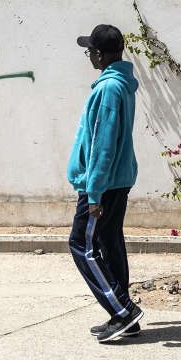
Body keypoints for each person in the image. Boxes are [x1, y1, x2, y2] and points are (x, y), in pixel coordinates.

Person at [68, 23, 143, 343]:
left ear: (99, 55)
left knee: (82, 246)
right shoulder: (121, 84)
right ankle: (121, 316)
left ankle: (124, 310)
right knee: (108, 243)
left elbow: (102, 144)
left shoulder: (108, 89)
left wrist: (94, 191)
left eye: (89, 52)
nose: (88, 57)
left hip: (103, 184)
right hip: (116, 180)